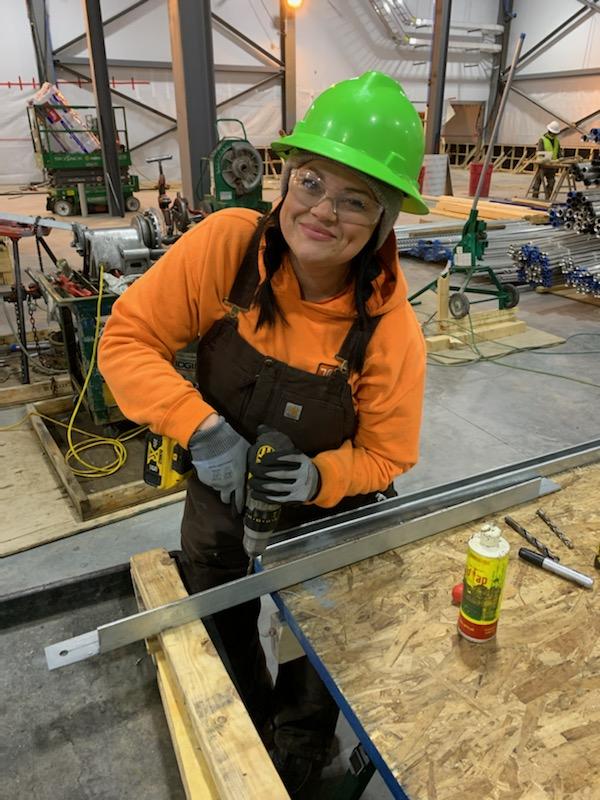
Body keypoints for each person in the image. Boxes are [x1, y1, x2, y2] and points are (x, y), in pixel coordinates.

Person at [98, 71, 427, 796]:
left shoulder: (391, 330)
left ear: (384, 221)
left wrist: (320, 479)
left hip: (328, 516)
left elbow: (388, 453)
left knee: (323, 641)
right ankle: (239, 731)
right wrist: (203, 431)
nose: (322, 212)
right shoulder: (227, 247)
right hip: (219, 487)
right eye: (311, 182)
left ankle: (301, 754)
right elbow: (126, 341)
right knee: (217, 612)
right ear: (284, 175)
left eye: (355, 201)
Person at [531, 120, 562, 200]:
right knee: (538, 181)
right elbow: (540, 153)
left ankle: (548, 198)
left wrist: (561, 158)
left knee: (552, 182)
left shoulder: (556, 141)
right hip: (543, 165)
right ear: (550, 131)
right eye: (554, 133)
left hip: (552, 166)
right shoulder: (542, 140)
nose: (555, 135)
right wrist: (543, 159)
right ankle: (534, 197)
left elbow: (559, 152)